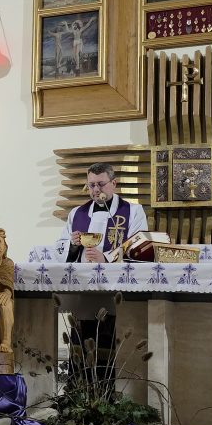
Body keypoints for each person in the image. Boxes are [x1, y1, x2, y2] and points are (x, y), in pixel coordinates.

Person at [54, 163, 147, 389]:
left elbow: (139, 247)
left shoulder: (133, 211)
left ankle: (108, 393)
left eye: (101, 184)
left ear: (113, 183)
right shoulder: (77, 213)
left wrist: (106, 258)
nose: (96, 190)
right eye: (91, 185)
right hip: (84, 292)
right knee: (82, 340)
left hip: (117, 293)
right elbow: (60, 248)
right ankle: (78, 391)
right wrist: (73, 245)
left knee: (110, 341)